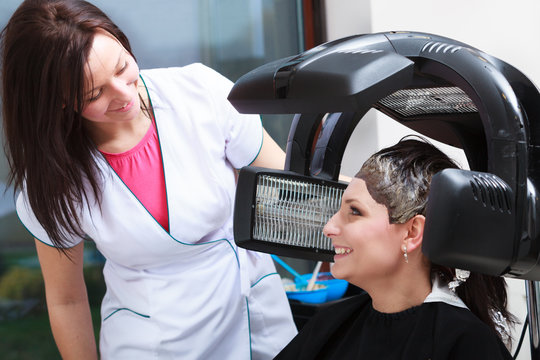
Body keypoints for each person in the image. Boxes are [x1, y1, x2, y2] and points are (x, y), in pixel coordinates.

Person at [1, 0, 297, 358]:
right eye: (95, 93)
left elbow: (291, 185)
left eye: (123, 66)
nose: (125, 94)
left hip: (254, 314)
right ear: (59, 102)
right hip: (153, 342)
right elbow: (66, 300)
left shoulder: (199, 93)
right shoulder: (55, 180)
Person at [274, 138, 515, 359]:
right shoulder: (330, 325)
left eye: (354, 212)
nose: (329, 227)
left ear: (411, 233)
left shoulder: (465, 343)